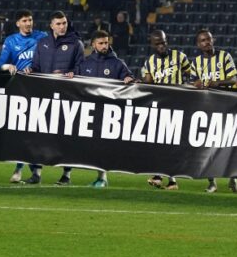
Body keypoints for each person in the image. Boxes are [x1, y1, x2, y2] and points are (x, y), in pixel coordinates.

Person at [26, 11, 85, 185]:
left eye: (64, 23)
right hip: (43, 95)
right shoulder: (42, 43)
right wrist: (31, 70)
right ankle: (36, 173)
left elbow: (81, 69)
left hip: (66, 97)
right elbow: (36, 66)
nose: (62, 26)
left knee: (64, 137)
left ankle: (66, 174)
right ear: (51, 25)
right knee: (36, 134)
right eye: (58, 23)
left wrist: (70, 73)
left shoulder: (76, 44)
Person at [76, 30, 136, 188]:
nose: (104, 46)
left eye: (106, 43)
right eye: (101, 43)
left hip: (110, 113)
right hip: (89, 111)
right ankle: (100, 176)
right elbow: (74, 83)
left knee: (103, 146)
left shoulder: (117, 63)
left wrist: (128, 78)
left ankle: (103, 177)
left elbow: (129, 78)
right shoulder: (85, 63)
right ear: (94, 44)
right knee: (93, 146)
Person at [0, 10, 49, 184]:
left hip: (40, 89)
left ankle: (27, 170)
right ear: (18, 23)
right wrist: (8, 66)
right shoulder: (11, 41)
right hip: (20, 91)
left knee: (34, 132)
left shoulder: (42, 37)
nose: (28, 23)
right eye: (25, 20)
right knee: (21, 132)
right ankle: (31, 171)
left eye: (30, 20)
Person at [140, 30, 194, 190]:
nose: (161, 46)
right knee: (160, 143)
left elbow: (191, 75)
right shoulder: (150, 62)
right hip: (160, 106)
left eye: (163, 42)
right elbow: (148, 82)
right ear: (152, 45)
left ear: (167, 41)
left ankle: (170, 179)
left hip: (177, 105)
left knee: (171, 143)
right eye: (157, 44)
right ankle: (163, 178)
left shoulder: (179, 57)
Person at [191, 29, 237, 194]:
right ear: (198, 44)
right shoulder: (196, 63)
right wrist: (196, 84)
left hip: (226, 105)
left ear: (213, 40)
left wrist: (217, 83)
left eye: (209, 39)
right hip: (207, 108)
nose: (207, 42)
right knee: (208, 146)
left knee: (230, 144)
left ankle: (233, 180)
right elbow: (193, 83)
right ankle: (212, 182)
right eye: (203, 40)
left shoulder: (224, 57)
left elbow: (234, 79)